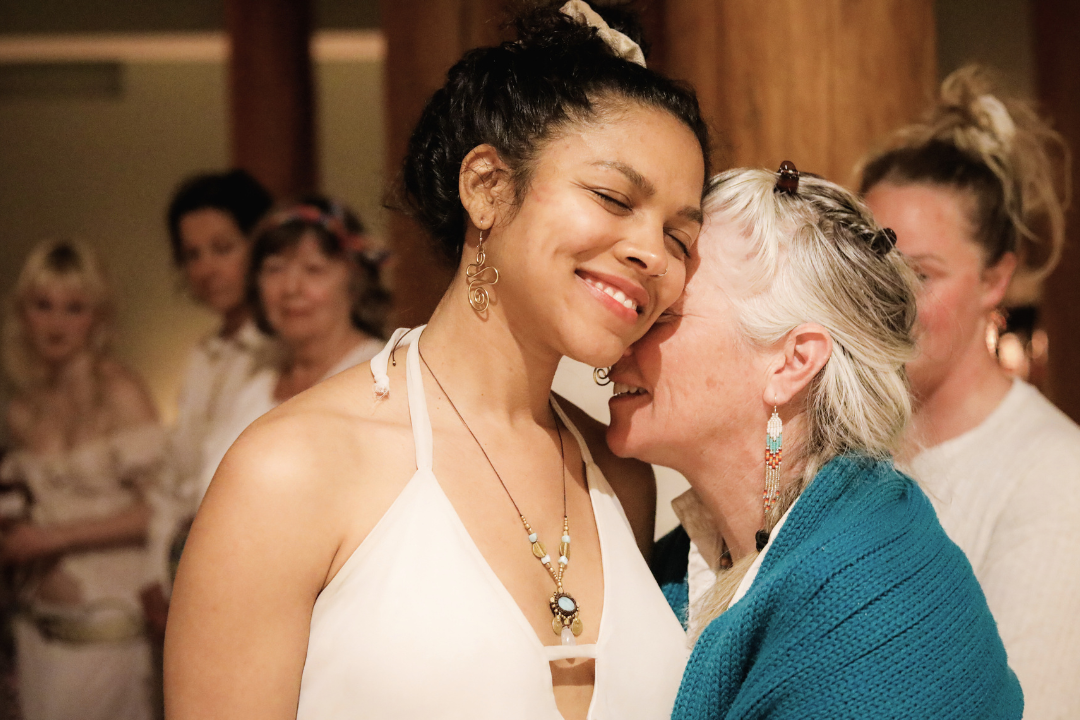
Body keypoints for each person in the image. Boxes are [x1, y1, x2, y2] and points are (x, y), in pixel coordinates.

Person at [165, 3, 710, 719]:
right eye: (613, 198)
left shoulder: (621, 477)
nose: (651, 254)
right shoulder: (291, 469)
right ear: (487, 187)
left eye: (679, 237)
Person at [618, 166, 1022, 718]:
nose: (628, 333)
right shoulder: (686, 559)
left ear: (793, 362)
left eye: (666, 313)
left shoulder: (875, 610)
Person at [860, 66, 1079, 719]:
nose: (888, 299)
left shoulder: (1055, 476)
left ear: (995, 279)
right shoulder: (845, 442)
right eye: (871, 262)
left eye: (921, 274)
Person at [0, 240, 165, 720]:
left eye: (74, 308)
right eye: (43, 305)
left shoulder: (121, 392)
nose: (57, 323)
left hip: (108, 625)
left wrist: (52, 538)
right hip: (36, 623)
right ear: (23, 313)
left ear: (97, 316)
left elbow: (156, 511)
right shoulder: (22, 408)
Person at [141, 170, 275, 630]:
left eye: (223, 248)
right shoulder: (203, 356)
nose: (206, 269)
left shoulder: (280, 355)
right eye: (192, 255)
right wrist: (155, 573)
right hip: (185, 574)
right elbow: (175, 481)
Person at [196, 196, 391, 489]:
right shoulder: (253, 385)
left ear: (354, 281)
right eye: (275, 269)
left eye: (313, 269)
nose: (291, 288)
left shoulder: (382, 378)